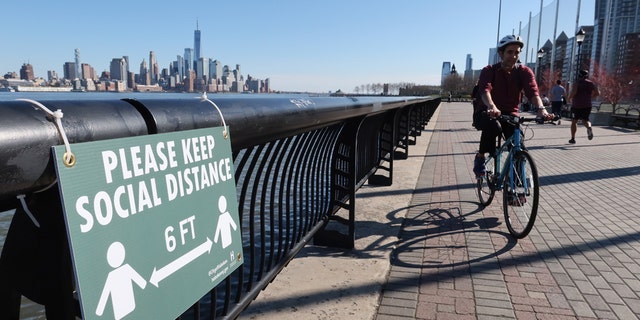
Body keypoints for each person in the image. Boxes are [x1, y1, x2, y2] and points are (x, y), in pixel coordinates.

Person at [473, 35, 554, 177]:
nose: (514, 56)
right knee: (493, 125)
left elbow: (533, 92)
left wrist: (542, 109)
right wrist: (492, 106)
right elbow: (485, 90)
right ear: (501, 53)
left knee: (518, 145)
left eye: (517, 52)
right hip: (487, 111)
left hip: (510, 114)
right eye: (510, 52)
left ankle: (515, 191)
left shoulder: (524, 72)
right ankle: (480, 157)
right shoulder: (489, 70)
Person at [567, 70, 599, 144]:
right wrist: (590, 97)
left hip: (577, 105)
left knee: (574, 121)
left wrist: (569, 98)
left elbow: (574, 92)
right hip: (587, 105)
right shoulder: (591, 83)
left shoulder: (577, 83)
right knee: (585, 120)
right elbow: (597, 93)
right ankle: (589, 127)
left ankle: (573, 138)